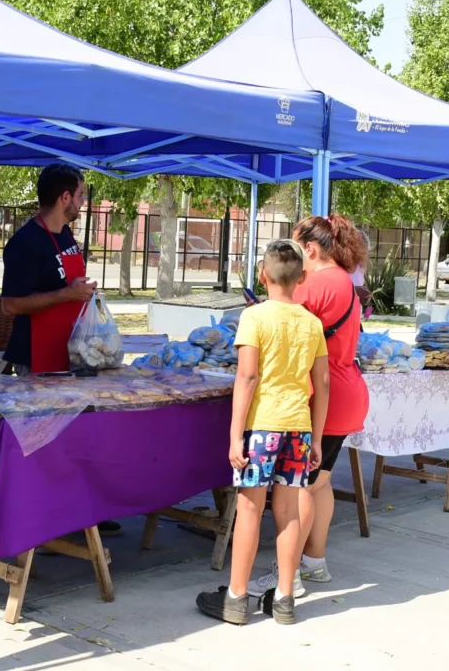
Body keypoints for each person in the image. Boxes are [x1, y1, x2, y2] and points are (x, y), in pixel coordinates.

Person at [196, 240, 330, 626]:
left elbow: (248, 376)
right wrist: (317, 438)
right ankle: (285, 599)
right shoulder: (311, 322)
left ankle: (237, 598)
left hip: (262, 427)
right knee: (288, 512)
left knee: (251, 509)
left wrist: (235, 434)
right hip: (298, 428)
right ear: (302, 278)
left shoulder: (254, 317)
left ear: (262, 276)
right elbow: (321, 382)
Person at [247, 215, 369, 597]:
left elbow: (279, 318)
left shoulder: (317, 283)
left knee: (298, 489)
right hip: (346, 392)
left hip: (323, 398)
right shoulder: (344, 281)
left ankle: (290, 576)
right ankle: (314, 564)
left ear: (311, 251)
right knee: (319, 484)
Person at [0, 163, 121, 536]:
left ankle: (80, 514)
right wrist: (65, 294)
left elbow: (65, 282)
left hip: (72, 352)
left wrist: (79, 288)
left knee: (76, 436)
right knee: (41, 442)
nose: (83, 202)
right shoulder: (24, 244)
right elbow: (10, 305)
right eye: (81, 195)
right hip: (36, 354)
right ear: (64, 197)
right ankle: (38, 518)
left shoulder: (66, 234)